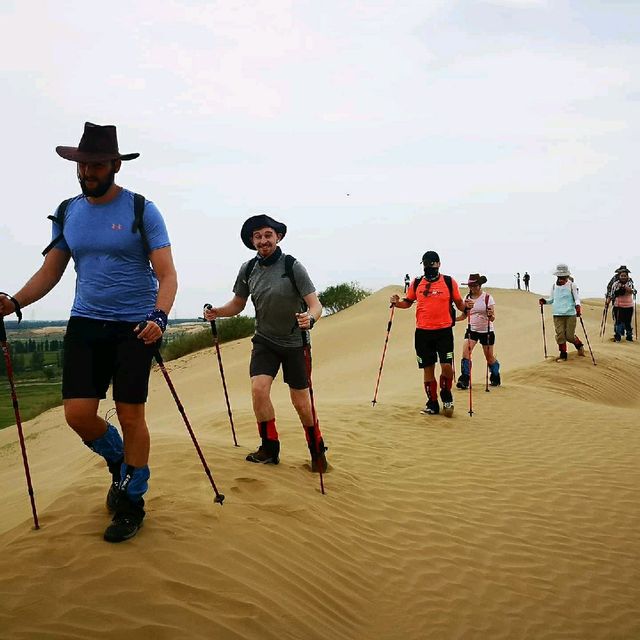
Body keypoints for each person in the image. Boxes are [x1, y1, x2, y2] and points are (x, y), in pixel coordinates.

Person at [0, 122, 177, 543]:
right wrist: (13, 303)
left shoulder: (141, 209)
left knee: (132, 414)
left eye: (95, 165)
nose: (86, 173)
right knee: (78, 415)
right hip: (85, 323)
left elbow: (167, 275)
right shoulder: (68, 212)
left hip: (136, 326)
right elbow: (51, 271)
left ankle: (132, 499)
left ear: (115, 165)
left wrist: (160, 317)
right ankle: (119, 461)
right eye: (82, 166)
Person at [204, 214, 327, 472]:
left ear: (278, 237)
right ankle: (269, 448)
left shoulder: (292, 266)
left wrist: (310, 319)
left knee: (301, 402)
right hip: (265, 341)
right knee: (259, 390)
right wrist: (218, 312)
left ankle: (317, 449)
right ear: (252, 241)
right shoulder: (248, 269)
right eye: (258, 236)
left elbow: (316, 305)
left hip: (296, 342)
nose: (263, 241)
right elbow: (237, 304)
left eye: (268, 235)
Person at [390, 251, 467, 417]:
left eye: (431, 263)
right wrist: (397, 303)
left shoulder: (448, 281)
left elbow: (459, 303)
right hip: (423, 333)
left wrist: (468, 307)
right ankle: (432, 403)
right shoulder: (417, 283)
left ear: (439, 264)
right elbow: (408, 302)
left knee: (447, 368)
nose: (428, 266)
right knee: (428, 368)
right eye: (425, 263)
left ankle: (446, 394)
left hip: (444, 331)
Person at [455, 274, 501, 389]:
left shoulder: (487, 298)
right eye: (471, 285)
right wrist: (452, 320)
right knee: (465, 353)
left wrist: (490, 315)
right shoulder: (467, 298)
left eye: (475, 285)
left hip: (487, 331)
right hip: (472, 330)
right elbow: (464, 315)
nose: (473, 288)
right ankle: (464, 379)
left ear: (480, 285)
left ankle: (495, 375)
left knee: (489, 357)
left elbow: (492, 318)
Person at [539, 264, 585, 362]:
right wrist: (545, 301)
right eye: (559, 277)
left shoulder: (572, 285)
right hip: (557, 314)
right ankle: (563, 354)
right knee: (560, 335)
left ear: (567, 277)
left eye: (563, 277)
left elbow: (577, 298)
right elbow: (551, 300)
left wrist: (578, 306)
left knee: (569, 336)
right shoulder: (554, 286)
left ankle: (579, 345)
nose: (561, 279)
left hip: (570, 314)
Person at [610, 268, 636, 341]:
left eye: (625, 276)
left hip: (629, 306)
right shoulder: (615, 284)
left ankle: (629, 336)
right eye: (622, 276)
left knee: (628, 322)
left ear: (627, 276)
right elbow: (613, 293)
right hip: (618, 306)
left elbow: (633, 291)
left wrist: (626, 288)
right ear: (619, 276)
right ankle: (618, 336)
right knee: (618, 322)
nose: (623, 277)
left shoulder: (630, 283)